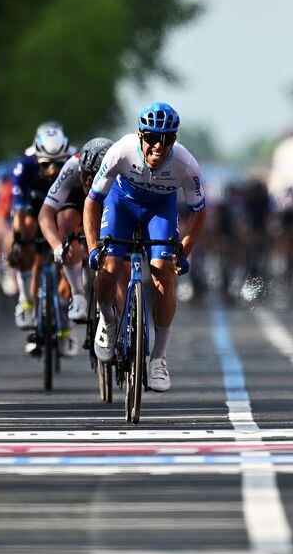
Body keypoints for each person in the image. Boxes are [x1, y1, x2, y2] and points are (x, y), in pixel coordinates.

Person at [85, 102, 207, 392]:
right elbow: (92, 201)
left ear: (174, 140)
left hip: (159, 209)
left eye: (166, 139)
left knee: (163, 274)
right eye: (152, 137)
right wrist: (93, 248)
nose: (158, 146)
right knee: (110, 267)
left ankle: (159, 358)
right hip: (121, 204)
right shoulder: (121, 151)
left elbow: (200, 212)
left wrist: (184, 251)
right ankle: (108, 319)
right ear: (140, 135)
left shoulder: (186, 165)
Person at [38, 136, 113, 356]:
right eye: (86, 177)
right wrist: (57, 247)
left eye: (93, 177)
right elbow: (46, 214)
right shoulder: (72, 166)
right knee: (66, 219)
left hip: (108, 197)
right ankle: (78, 293)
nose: (89, 181)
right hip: (75, 199)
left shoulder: (119, 168)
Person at [9, 122, 72, 347]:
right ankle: (26, 300)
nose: (53, 171)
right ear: (36, 157)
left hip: (62, 207)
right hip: (33, 206)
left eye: (59, 164)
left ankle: (66, 316)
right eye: (46, 164)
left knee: (70, 235)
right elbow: (18, 211)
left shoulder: (75, 160)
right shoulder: (24, 165)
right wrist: (19, 241)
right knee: (26, 234)